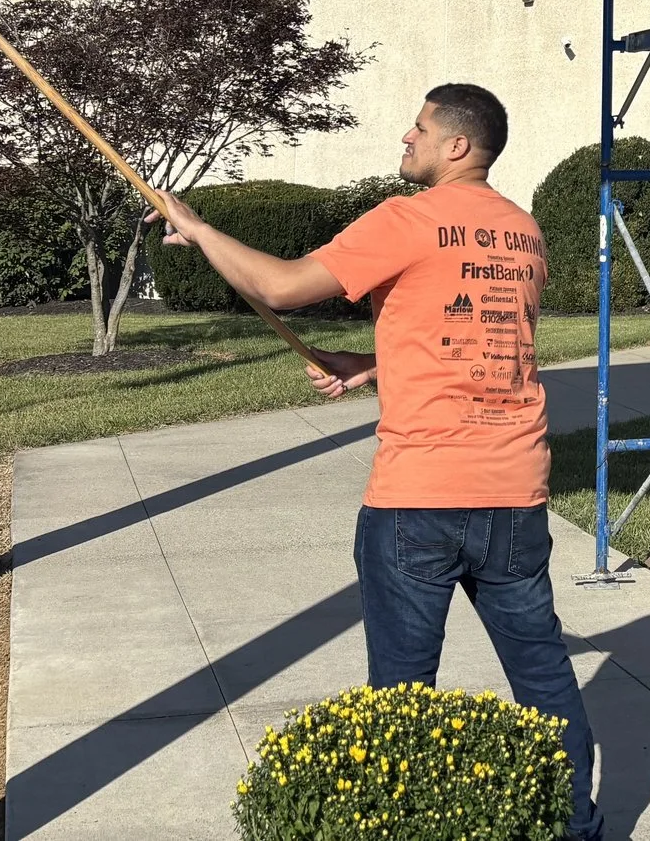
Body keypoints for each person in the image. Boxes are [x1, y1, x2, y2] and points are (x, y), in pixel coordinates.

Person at [148, 83, 602, 841]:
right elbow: (481, 342)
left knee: (399, 699)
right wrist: (371, 363)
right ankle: (577, 829)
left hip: (418, 499)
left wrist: (197, 228)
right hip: (515, 493)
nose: (406, 137)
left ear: (457, 145)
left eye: (419, 128)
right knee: (545, 678)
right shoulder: (523, 231)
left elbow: (280, 286)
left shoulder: (408, 218)